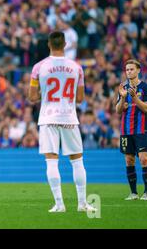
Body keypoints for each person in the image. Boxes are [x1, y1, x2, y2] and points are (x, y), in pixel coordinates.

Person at [28, 31, 96, 213]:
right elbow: (80, 98)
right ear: (65, 44)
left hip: (48, 117)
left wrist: (46, 91)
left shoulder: (38, 67)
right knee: (77, 161)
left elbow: (32, 97)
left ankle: (59, 204)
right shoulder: (76, 68)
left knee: (51, 161)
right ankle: (82, 203)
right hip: (69, 117)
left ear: (49, 44)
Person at [115, 59, 147, 201]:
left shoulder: (146, 87)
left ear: (138, 70)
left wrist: (135, 98)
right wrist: (122, 98)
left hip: (141, 129)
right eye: (127, 69)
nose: (129, 72)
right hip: (125, 130)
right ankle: (133, 193)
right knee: (129, 160)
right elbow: (118, 110)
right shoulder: (122, 87)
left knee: (143, 159)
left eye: (131, 69)